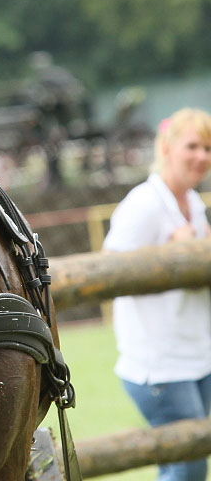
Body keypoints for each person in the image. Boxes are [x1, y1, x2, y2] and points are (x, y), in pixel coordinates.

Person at [105, 107, 211, 481]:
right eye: (192, 146)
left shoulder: (194, 203)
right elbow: (109, 270)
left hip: (196, 357)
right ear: (166, 148)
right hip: (161, 366)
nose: (202, 156)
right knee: (187, 468)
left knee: (188, 463)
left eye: (208, 148)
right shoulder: (144, 204)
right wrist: (168, 256)